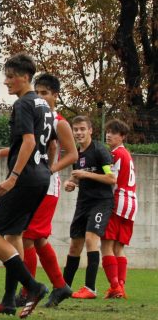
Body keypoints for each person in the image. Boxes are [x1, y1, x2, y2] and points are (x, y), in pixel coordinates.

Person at [0, 53, 51, 318]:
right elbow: (46, 143)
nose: (7, 82)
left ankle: (32, 287)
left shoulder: (23, 104)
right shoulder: (44, 105)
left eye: (11, 77)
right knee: (13, 237)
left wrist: (13, 177)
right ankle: (9, 300)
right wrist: (3, 153)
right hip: (41, 176)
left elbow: (30, 143)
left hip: (24, 179)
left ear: (25, 77)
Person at [16, 74, 78, 308]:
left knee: (28, 236)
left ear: (55, 95)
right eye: (38, 92)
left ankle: (27, 290)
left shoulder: (59, 121)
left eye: (44, 93)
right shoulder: (38, 118)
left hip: (46, 186)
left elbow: (72, 154)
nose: (40, 97)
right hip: (36, 183)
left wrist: (49, 170)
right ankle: (60, 286)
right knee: (38, 239)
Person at [63, 115, 116, 299]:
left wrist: (85, 176)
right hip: (83, 204)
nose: (78, 133)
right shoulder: (78, 154)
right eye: (75, 129)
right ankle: (64, 287)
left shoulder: (100, 150)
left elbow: (111, 178)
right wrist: (71, 183)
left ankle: (90, 288)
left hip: (101, 202)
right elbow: (78, 177)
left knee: (91, 239)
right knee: (74, 246)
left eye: (82, 129)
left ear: (90, 130)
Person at [101, 119, 137, 298]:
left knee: (106, 244)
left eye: (114, 132)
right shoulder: (127, 154)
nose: (109, 135)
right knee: (119, 247)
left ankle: (115, 286)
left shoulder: (115, 154)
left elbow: (111, 180)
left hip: (118, 200)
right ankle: (120, 286)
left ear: (122, 137)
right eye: (108, 131)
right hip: (131, 202)